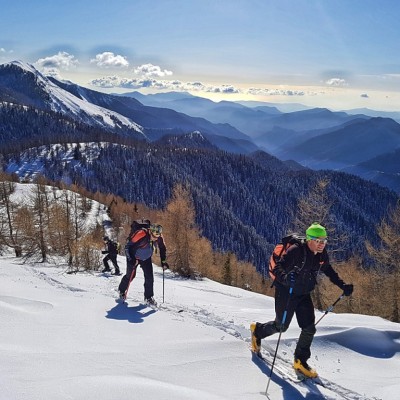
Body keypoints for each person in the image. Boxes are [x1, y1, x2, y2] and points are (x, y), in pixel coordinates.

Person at [250, 222, 353, 378]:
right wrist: (286, 278)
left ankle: (300, 360)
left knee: (309, 328)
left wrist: (342, 285)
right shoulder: (296, 251)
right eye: (318, 241)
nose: (321, 244)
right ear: (309, 240)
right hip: (286, 292)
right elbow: (278, 267)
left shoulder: (321, 255)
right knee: (281, 326)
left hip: (304, 293)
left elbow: (328, 270)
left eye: (324, 241)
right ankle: (257, 331)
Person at [118, 223, 169, 305]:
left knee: (149, 277)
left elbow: (162, 248)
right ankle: (121, 290)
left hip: (146, 258)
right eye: (154, 237)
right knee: (130, 276)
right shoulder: (141, 234)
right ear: (150, 232)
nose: (155, 239)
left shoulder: (159, 237)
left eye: (157, 237)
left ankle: (148, 298)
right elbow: (128, 247)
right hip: (134, 257)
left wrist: (163, 262)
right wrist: (131, 259)